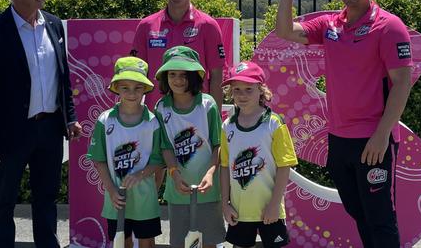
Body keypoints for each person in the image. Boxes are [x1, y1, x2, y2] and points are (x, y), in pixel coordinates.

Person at [276, 0, 413, 247]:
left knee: (380, 217)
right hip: (339, 139)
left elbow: (401, 83)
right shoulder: (330, 25)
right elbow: (285, 31)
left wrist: (381, 135)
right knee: (358, 212)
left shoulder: (389, 26)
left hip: (373, 140)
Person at [0, 0, 82, 247]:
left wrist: (70, 117)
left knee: (46, 197)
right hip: (10, 133)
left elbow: (63, 76)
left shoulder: (54, 24)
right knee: (5, 200)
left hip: (50, 130)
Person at [87, 56, 164, 248]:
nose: (132, 93)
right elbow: (99, 160)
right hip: (116, 201)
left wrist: (141, 175)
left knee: (147, 243)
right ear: (116, 88)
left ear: (145, 88)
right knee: (122, 242)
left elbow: (159, 160)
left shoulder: (153, 122)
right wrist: (112, 191)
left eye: (138, 87)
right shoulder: (105, 121)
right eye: (125, 87)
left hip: (146, 201)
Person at [220, 61, 298, 248]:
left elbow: (284, 166)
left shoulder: (274, 123)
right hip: (239, 211)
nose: (242, 95)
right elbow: (224, 167)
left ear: (261, 90)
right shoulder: (227, 126)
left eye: (249, 89)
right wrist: (225, 203)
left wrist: (274, 204)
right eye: (237, 89)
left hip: (270, 211)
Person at [153, 46, 225, 248]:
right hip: (178, 191)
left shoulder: (208, 104)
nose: (178, 80)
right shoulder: (161, 107)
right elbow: (165, 148)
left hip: (208, 191)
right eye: (172, 74)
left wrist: (211, 173)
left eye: (184, 75)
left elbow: (217, 144)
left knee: (209, 242)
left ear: (194, 77)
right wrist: (175, 175)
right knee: (180, 243)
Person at [130, 0, 226, 110]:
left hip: (197, 115)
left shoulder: (208, 25)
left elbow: (216, 76)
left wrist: (214, 117)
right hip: (156, 116)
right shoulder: (146, 26)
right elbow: (136, 75)